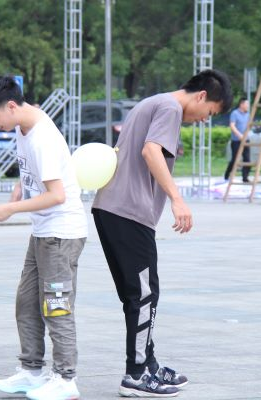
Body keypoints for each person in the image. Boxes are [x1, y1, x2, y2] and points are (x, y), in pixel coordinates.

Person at [92, 69, 232, 397]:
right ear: (201, 96)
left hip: (113, 208)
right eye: (209, 112)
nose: (204, 120)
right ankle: (136, 374)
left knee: (138, 295)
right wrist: (177, 199)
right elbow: (151, 151)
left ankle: (148, 364)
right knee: (143, 296)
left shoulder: (153, 102)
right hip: (129, 211)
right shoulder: (170, 108)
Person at [0, 76, 87, 400]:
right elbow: (31, 172)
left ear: (11, 106)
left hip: (60, 234)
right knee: (26, 304)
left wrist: (11, 209)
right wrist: (18, 190)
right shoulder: (23, 123)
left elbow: (56, 196)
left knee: (56, 307)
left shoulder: (43, 139)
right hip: (42, 232)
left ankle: (65, 379)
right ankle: (31, 371)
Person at [224, 97, 251, 182]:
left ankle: (245, 177)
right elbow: (232, 126)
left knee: (247, 159)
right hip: (236, 140)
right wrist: (239, 135)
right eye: (246, 104)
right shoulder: (235, 113)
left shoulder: (248, 114)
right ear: (241, 104)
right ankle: (227, 175)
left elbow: (249, 125)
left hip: (246, 140)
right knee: (235, 159)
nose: (248, 106)